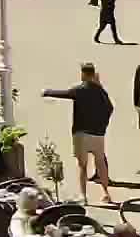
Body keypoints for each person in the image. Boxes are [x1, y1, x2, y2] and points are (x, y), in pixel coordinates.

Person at [44, 62, 114, 204]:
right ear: (93, 74)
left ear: (83, 74)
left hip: (81, 133)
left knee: (82, 166)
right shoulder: (101, 91)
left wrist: (47, 92)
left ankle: (84, 196)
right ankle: (106, 194)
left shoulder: (80, 89)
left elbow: (65, 93)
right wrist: (103, 125)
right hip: (98, 134)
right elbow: (110, 108)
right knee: (101, 163)